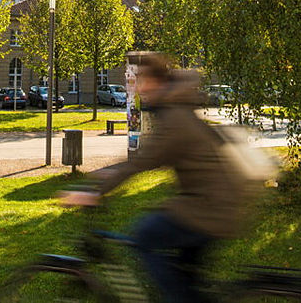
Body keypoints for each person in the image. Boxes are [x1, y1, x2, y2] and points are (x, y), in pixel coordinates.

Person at [60, 53, 250, 303]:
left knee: (145, 236)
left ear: (156, 81)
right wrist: (101, 177)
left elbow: (141, 162)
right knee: (184, 276)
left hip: (209, 208)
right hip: (217, 203)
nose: (138, 87)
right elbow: (145, 159)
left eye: (142, 80)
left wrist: (95, 192)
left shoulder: (174, 118)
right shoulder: (176, 108)